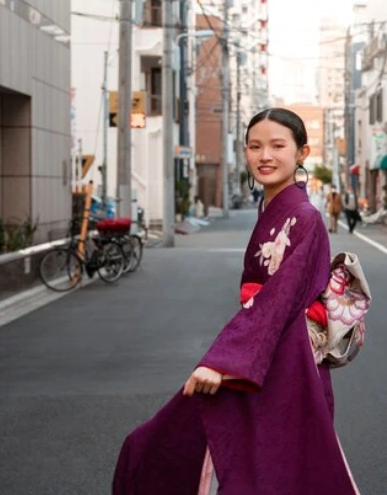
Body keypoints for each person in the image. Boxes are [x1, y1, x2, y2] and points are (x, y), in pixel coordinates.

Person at [112, 108, 359, 494]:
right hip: (269, 348)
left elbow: (279, 298)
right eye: (255, 146)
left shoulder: (305, 216)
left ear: (302, 153)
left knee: (282, 465)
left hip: (288, 356)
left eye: (278, 146)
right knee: (256, 460)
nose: (265, 156)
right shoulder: (272, 209)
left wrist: (223, 362)